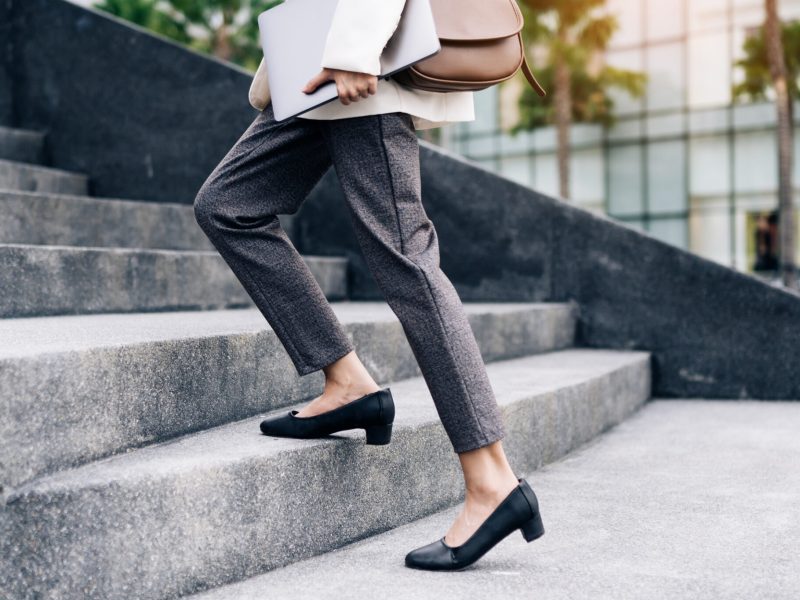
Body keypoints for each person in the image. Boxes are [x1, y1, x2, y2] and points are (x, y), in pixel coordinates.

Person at [193, 0, 544, 571]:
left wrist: (356, 49)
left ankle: (492, 479)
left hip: (362, 67)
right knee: (230, 206)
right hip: (315, 69)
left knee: (408, 263)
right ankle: (349, 382)